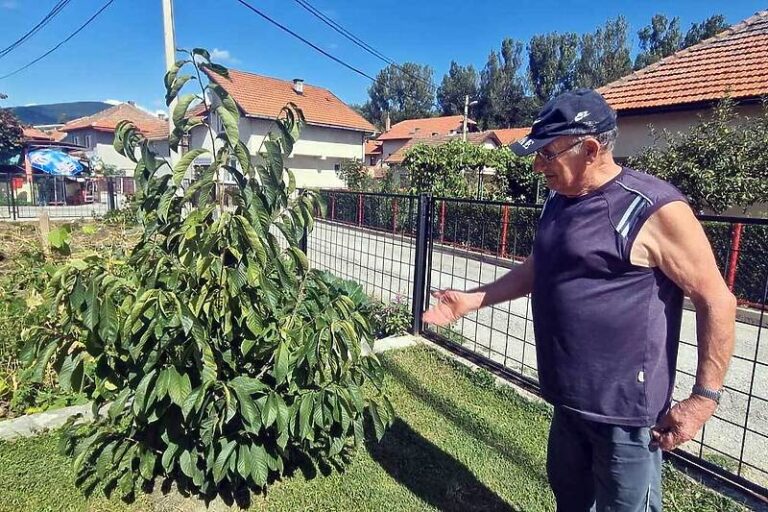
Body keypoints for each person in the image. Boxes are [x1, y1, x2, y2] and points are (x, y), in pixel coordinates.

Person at [423, 89, 736, 512]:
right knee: (570, 501)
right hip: (568, 402)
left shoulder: (652, 208)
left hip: (626, 418)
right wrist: (470, 301)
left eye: (547, 155)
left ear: (589, 149)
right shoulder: (560, 200)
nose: (538, 167)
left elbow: (717, 300)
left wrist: (703, 398)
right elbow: (538, 269)